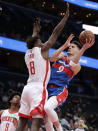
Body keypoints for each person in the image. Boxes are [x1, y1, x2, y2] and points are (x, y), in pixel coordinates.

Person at [16, 3, 69, 131]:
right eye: (40, 41)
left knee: (22, 122)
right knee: (36, 122)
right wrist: (65, 18)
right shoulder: (42, 50)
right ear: (38, 44)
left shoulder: (27, 53)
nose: (43, 42)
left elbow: (33, 40)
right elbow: (55, 33)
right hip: (38, 89)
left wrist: (35, 32)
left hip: (27, 89)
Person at [44, 35, 95, 131]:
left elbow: (72, 64)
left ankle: (59, 128)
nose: (70, 48)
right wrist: (64, 46)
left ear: (78, 50)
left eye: (73, 47)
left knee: (47, 108)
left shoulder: (78, 66)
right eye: (69, 46)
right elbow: (51, 59)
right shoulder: (61, 56)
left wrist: (84, 48)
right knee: (46, 118)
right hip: (46, 88)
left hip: (59, 89)